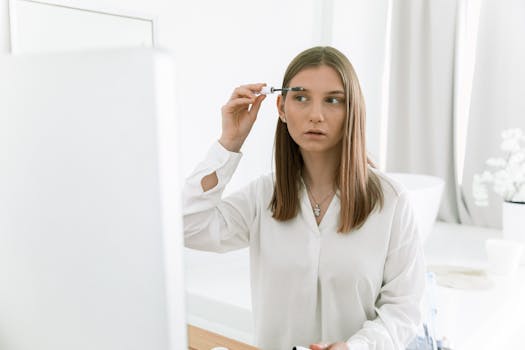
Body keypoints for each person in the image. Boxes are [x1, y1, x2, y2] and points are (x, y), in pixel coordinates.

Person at [183, 46, 425, 350]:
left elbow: (405, 309)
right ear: (282, 108)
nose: (316, 115)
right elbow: (186, 225)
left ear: (353, 110)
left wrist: (357, 347)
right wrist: (229, 142)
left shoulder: (391, 200)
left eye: (333, 100)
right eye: (301, 98)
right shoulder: (263, 196)